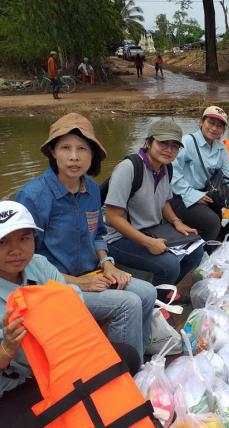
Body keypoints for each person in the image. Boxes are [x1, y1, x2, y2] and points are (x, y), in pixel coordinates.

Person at [15, 113, 156, 361]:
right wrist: (77, 284)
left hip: (93, 273)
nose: (74, 157)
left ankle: (138, 360)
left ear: (92, 155)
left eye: (82, 149)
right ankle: (120, 374)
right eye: (65, 148)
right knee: (128, 304)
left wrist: (108, 265)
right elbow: (26, 264)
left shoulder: (91, 189)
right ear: (52, 152)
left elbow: (99, 234)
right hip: (54, 287)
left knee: (147, 293)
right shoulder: (33, 197)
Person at [0, 201, 142, 426]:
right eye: (3, 242)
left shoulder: (39, 264)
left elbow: (72, 302)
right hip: (17, 384)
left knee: (129, 357)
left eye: (24, 238)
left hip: (60, 366)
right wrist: (7, 347)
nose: (15, 250)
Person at [104, 118, 205, 299]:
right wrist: (148, 243)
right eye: (163, 143)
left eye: (174, 146)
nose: (169, 150)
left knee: (197, 250)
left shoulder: (166, 168)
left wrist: (176, 222)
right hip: (118, 239)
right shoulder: (128, 169)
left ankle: (163, 291)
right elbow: (112, 217)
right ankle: (153, 302)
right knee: (170, 265)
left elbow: (164, 201)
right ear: (149, 142)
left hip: (151, 230)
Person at [170, 106, 229, 249]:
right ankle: (202, 255)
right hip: (181, 196)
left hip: (207, 194)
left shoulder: (220, 148)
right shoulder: (187, 142)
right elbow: (172, 173)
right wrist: (193, 195)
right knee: (212, 221)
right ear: (201, 122)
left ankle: (224, 251)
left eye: (219, 125)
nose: (214, 128)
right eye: (211, 122)